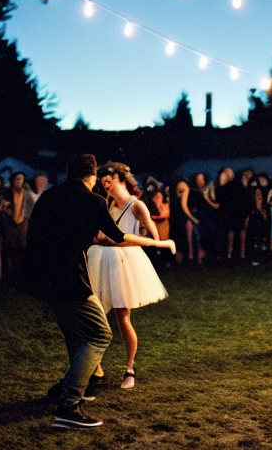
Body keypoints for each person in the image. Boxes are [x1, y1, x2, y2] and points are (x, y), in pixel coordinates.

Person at [19, 154, 164, 429]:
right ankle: (69, 404)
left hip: (40, 279)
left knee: (75, 335)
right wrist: (154, 242)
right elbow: (116, 236)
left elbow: (33, 234)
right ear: (92, 177)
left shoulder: (49, 197)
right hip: (68, 278)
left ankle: (68, 386)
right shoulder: (92, 201)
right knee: (100, 333)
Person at [87, 162, 175, 390]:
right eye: (103, 182)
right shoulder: (107, 204)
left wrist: (139, 236)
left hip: (123, 262)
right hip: (101, 260)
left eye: (109, 181)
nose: (106, 185)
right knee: (97, 314)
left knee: (122, 317)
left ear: (121, 179)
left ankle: (129, 369)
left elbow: (154, 238)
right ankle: (95, 368)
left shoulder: (136, 206)